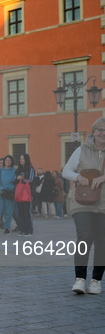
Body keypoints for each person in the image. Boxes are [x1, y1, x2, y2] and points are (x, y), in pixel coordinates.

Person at [63, 117, 105, 295]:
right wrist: (78, 177)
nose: (103, 133)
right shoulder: (81, 150)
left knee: (102, 242)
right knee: (85, 237)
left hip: (103, 204)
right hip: (82, 202)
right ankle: (80, 279)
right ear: (94, 131)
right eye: (100, 130)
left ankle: (96, 281)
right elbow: (66, 171)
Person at [0, 155, 17, 235]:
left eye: (9, 160)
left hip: (9, 194)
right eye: (6, 160)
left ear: (12, 162)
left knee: (9, 211)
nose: (7, 162)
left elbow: (16, 183)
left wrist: (12, 188)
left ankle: (7, 227)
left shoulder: (14, 171)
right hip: (0, 194)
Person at [15, 154, 35, 236]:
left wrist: (21, 178)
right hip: (20, 193)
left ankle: (29, 230)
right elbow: (14, 179)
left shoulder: (30, 169)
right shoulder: (18, 169)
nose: (21, 160)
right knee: (21, 212)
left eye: (23, 159)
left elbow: (31, 180)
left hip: (28, 193)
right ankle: (22, 229)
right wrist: (18, 178)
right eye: (20, 159)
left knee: (27, 212)